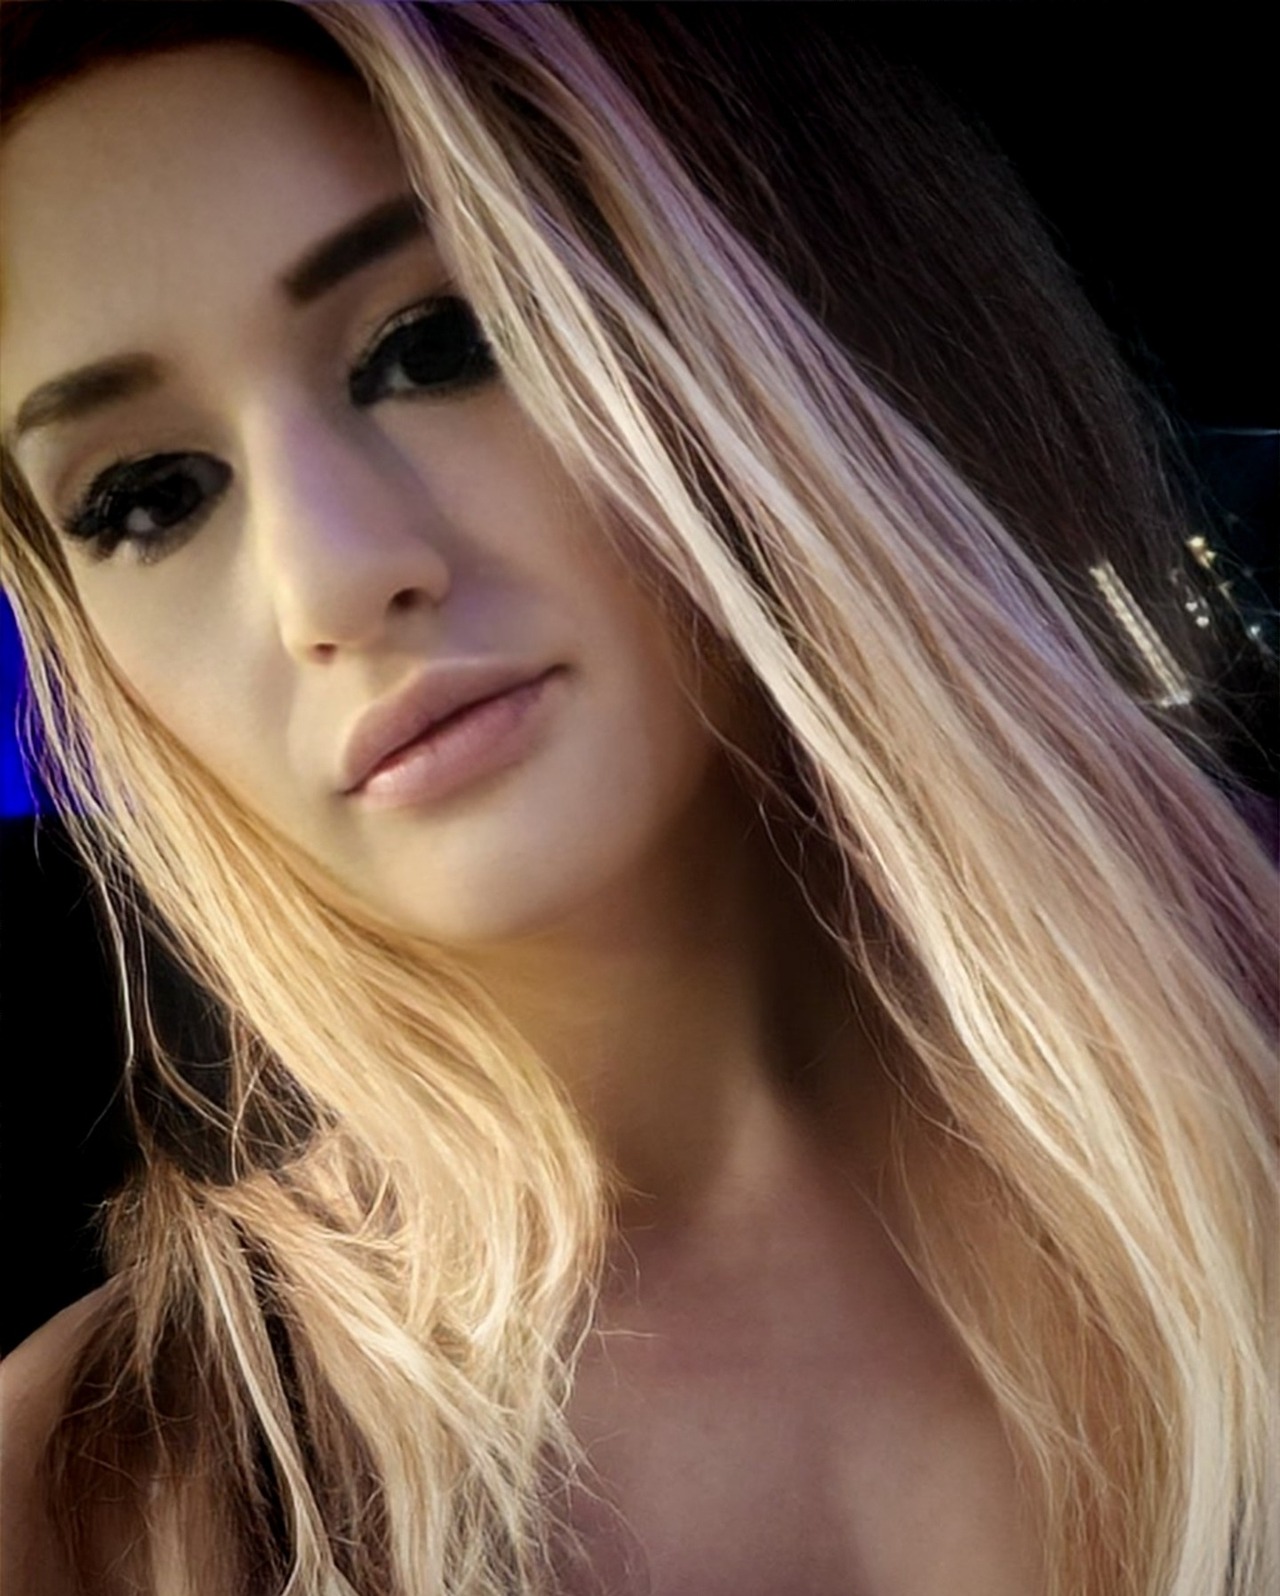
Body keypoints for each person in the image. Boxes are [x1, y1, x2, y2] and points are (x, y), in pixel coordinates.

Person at [0, 4, 1274, 1594]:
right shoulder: (85, 1492)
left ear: (719, 334)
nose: (329, 579)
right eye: (147, 499)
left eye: (434, 345)